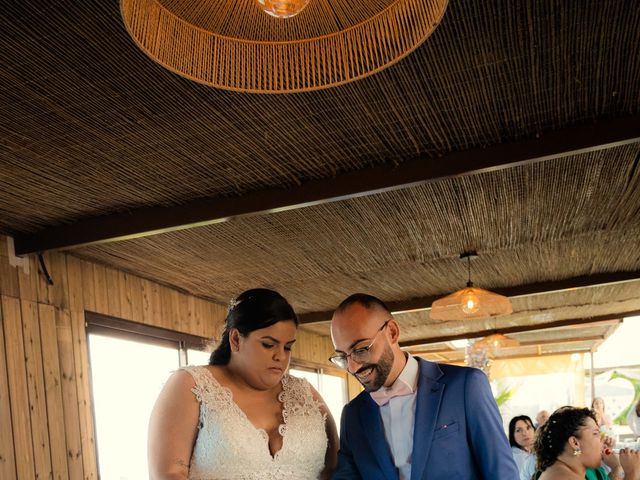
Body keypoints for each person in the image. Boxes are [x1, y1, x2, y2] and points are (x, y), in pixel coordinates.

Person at [148, 288, 339, 479]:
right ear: (236, 339)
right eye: (268, 344)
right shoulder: (192, 385)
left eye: (288, 347)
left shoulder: (305, 392)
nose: (280, 356)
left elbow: (337, 467)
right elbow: (170, 474)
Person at [329, 293, 519, 479]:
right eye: (342, 357)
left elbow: (502, 473)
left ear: (392, 332)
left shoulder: (466, 386)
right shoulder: (352, 415)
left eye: (361, 349)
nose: (353, 367)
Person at [533, 406, 640, 480]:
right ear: (575, 443)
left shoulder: (561, 470)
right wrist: (632, 473)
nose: (602, 439)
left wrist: (617, 467)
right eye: (596, 433)